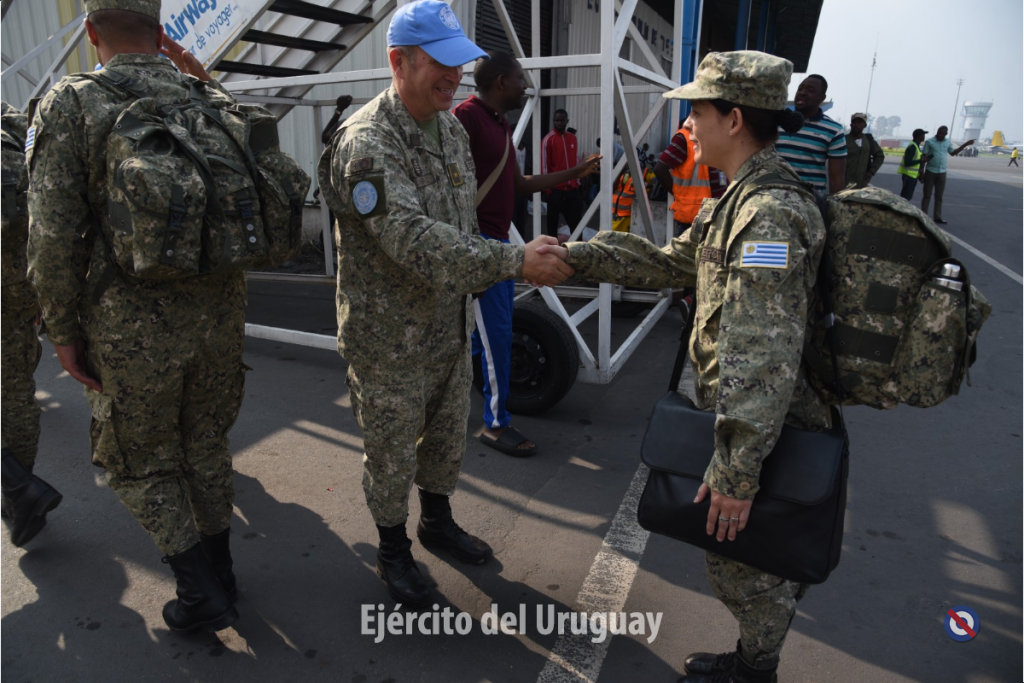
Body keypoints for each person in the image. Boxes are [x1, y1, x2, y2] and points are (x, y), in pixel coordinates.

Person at [546, 50, 831, 683]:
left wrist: (736, 472)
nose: (689, 126)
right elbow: (671, 262)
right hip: (755, 424)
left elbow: (763, 355)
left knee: (752, 568)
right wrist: (579, 255)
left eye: (696, 112)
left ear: (734, 119)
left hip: (769, 431)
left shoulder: (767, 216)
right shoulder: (738, 199)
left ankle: (755, 672)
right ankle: (753, 662)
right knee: (745, 561)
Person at [318, 0, 574, 608]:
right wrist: (512, 261)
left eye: (459, 64)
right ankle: (392, 549)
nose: (454, 76)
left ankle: (437, 521)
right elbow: (413, 239)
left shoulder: (452, 129)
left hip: (447, 322)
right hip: (389, 339)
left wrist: (494, 265)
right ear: (398, 61)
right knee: (390, 452)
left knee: (444, 437)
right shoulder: (368, 143)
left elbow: (463, 221)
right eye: (440, 63)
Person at [27, 0, 250, 633]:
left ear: (91, 31)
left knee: (137, 459)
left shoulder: (72, 104)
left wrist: (62, 331)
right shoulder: (203, 95)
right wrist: (191, 65)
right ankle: (222, 571)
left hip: (131, 329)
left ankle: (199, 589)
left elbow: (52, 234)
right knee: (205, 444)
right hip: (220, 314)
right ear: (161, 33)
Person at [453, 51, 599, 458]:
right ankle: (495, 425)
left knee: (485, 335)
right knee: (496, 334)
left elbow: (516, 184)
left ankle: (482, 402)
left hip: (497, 244)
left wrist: (575, 173)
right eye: (520, 79)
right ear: (501, 81)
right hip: (478, 243)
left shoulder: (499, 123)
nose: (525, 86)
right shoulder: (466, 118)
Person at [1, 101, 63, 547]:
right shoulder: (15, 126)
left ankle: (19, 489)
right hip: (23, 280)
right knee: (17, 390)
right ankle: (18, 491)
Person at [775, 74, 846, 193]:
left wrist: (836, 203)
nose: (802, 93)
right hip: (773, 196)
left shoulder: (834, 130)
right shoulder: (776, 122)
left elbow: (836, 179)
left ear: (821, 98)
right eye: (800, 89)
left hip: (811, 200)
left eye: (810, 90)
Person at [653, 124, 713, 236]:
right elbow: (659, 169)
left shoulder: (717, 135)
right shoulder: (685, 137)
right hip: (694, 214)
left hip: (715, 211)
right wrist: (678, 193)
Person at [541, 109, 585, 236]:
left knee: (576, 224)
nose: (559, 123)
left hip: (572, 190)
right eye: (556, 120)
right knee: (552, 225)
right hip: (555, 191)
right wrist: (548, 190)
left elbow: (575, 161)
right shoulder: (548, 140)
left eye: (562, 120)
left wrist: (577, 182)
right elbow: (544, 166)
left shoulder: (572, 138)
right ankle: (552, 247)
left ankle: (578, 247)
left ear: (567, 121)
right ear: (553, 121)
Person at [921, 126, 974, 224]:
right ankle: (923, 217)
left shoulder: (948, 142)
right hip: (930, 171)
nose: (939, 135)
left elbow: (953, 153)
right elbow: (923, 157)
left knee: (939, 196)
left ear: (946, 134)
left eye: (942, 133)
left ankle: (937, 217)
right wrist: (921, 172)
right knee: (927, 195)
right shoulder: (929, 142)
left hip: (942, 172)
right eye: (938, 133)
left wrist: (965, 144)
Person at [844, 112, 884, 189]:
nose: (857, 125)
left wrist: (871, 171)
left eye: (860, 122)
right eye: (854, 122)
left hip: (862, 183)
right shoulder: (844, 140)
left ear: (864, 125)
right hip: (845, 181)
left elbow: (879, 156)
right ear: (851, 125)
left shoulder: (869, 140)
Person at [897, 129, 931, 201]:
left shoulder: (916, 146)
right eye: (923, 135)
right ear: (919, 136)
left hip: (913, 175)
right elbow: (907, 162)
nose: (924, 136)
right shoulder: (912, 147)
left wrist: (920, 173)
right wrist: (922, 160)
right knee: (905, 196)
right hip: (909, 175)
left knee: (908, 196)